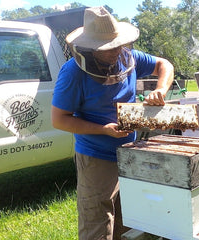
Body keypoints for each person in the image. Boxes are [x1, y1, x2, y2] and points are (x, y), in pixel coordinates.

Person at [51, 6, 174, 240]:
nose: (116, 51)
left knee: (127, 221)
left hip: (130, 152)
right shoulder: (73, 73)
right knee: (97, 224)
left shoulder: (130, 57)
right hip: (96, 157)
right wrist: (102, 130)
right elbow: (58, 120)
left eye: (118, 44)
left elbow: (164, 65)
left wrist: (160, 89)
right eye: (108, 47)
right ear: (90, 48)